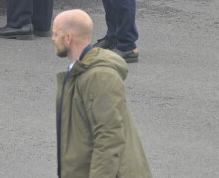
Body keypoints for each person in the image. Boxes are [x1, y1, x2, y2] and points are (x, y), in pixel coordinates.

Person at [52, 9, 151, 178]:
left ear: (69, 38)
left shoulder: (99, 77)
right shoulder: (78, 71)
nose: (52, 39)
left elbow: (109, 139)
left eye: (56, 34)